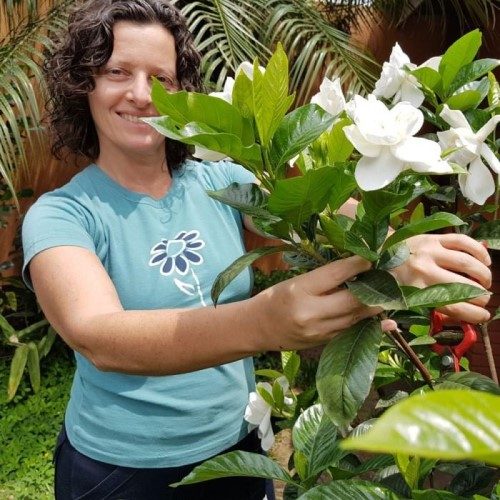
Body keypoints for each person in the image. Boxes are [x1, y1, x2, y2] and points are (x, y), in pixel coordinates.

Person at [22, 0, 492, 498]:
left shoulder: (225, 181)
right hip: (122, 472)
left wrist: (399, 251)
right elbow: (99, 336)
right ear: (84, 84)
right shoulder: (63, 214)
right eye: (117, 71)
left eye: (161, 78)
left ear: (183, 93)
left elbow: (323, 215)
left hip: (237, 453)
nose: (142, 95)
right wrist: (264, 321)